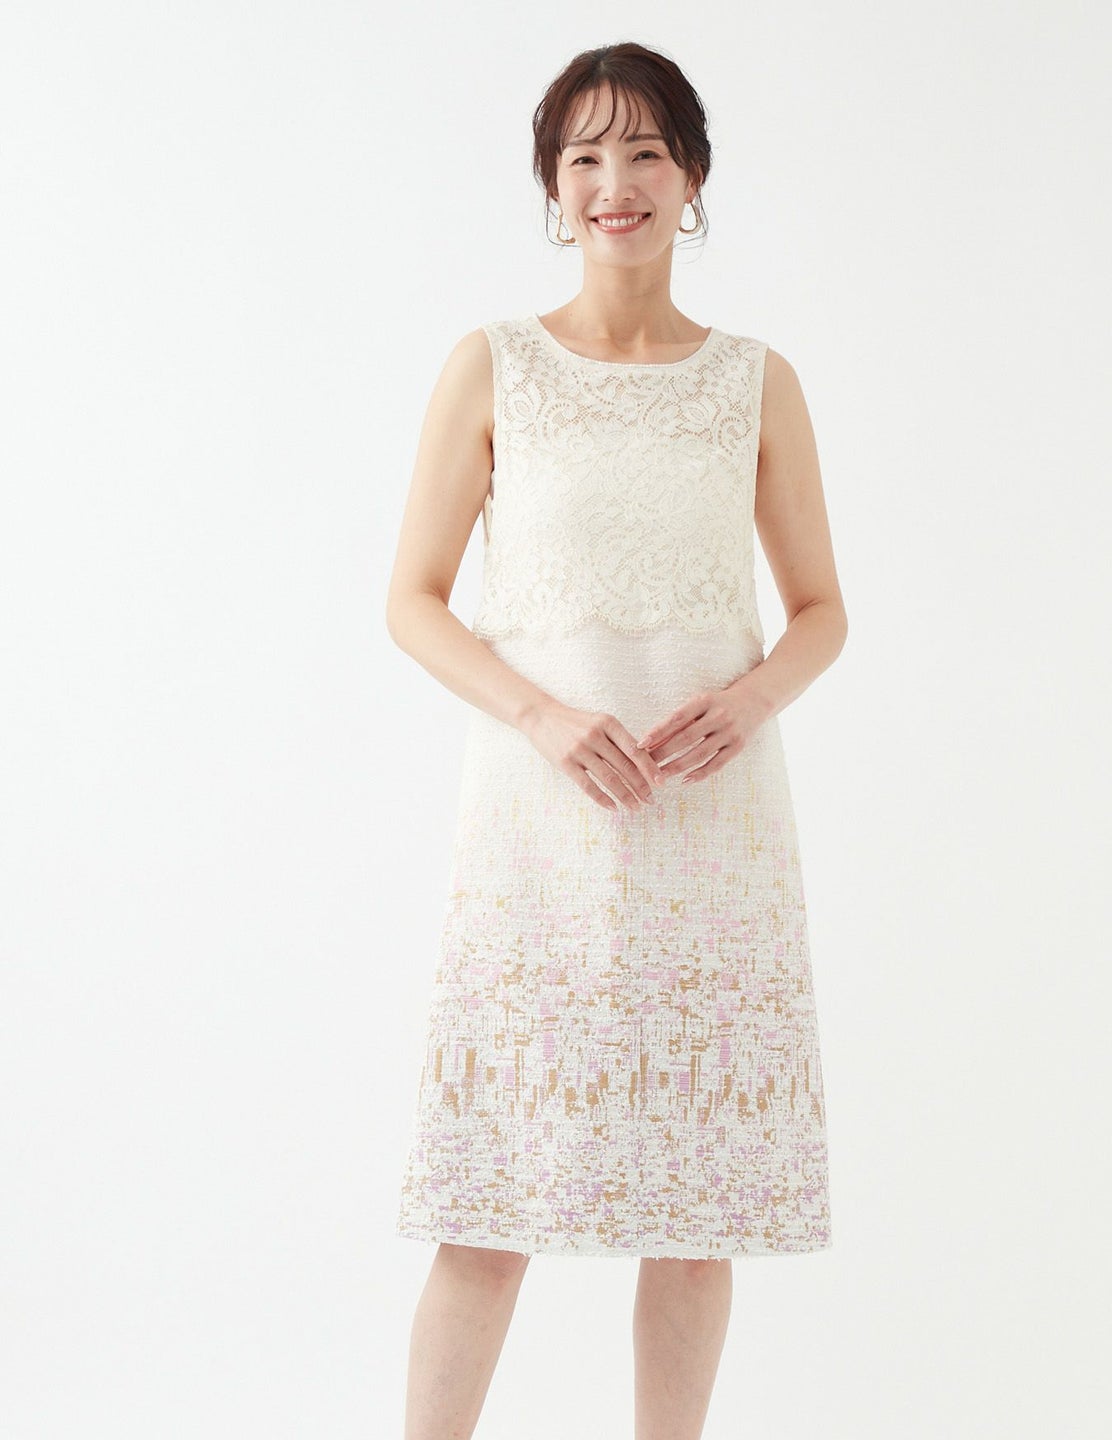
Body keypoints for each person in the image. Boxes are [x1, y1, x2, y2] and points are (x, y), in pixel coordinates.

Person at [384, 40, 848, 1440]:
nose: (614, 182)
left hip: (713, 828)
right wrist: (540, 711)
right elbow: (411, 601)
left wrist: (750, 699)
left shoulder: (756, 381)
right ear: (553, 185)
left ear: (691, 175)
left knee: (697, 1212)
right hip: (537, 831)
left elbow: (821, 611)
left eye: (644, 150)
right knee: (492, 1206)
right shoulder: (496, 366)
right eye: (583, 155)